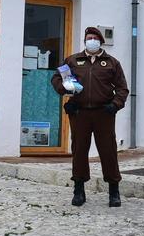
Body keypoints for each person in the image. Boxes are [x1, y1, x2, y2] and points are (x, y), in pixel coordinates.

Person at [50, 26, 130, 207]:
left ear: (100, 41)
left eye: (94, 37)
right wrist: (65, 90)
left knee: (108, 150)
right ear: (85, 41)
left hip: (104, 112)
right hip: (79, 112)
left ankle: (114, 190)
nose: (91, 40)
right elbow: (56, 78)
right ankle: (79, 190)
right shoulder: (72, 60)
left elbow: (122, 88)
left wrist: (115, 105)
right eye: (88, 37)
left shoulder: (111, 62)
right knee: (79, 150)